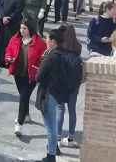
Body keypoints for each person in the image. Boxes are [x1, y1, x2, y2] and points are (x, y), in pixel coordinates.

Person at [4, 22, 47, 137]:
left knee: (23, 96)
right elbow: (8, 50)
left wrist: (39, 68)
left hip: (32, 75)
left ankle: (19, 122)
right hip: (18, 73)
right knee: (24, 96)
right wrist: (8, 58)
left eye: (25, 28)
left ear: (31, 29)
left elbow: (43, 58)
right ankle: (26, 114)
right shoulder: (15, 39)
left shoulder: (39, 42)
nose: (22, 30)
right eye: (21, 27)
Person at [35, 27, 70, 162]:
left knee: (50, 126)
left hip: (49, 93)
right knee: (52, 124)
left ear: (53, 42)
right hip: (58, 93)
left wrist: (41, 67)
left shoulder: (50, 56)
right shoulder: (64, 54)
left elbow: (39, 77)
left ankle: (51, 155)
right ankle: (51, 152)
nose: (45, 40)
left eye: (48, 39)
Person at [56, 25, 83, 149]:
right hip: (74, 84)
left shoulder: (60, 48)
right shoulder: (78, 47)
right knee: (72, 110)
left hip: (62, 83)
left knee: (60, 110)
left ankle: (58, 137)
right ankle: (71, 137)